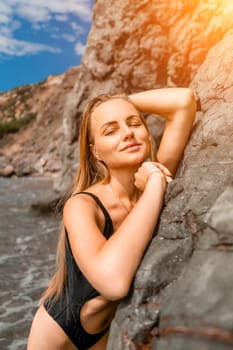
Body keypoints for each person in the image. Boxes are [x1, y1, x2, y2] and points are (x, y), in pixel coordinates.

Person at [27, 88, 196, 350]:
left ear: (147, 133)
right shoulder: (82, 205)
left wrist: (120, 102)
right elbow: (114, 283)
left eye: (134, 123)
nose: (128, 133)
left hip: (105, 331)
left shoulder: (150, 186)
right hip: (58, 332)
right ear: (96, 152)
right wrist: (154, 182)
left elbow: (184, 101)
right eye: (111, 130)